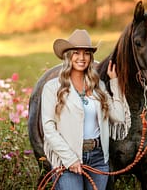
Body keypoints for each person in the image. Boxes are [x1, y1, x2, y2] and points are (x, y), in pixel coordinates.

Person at [41, 29, 130, 190]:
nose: (82, 58)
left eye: (86, 53)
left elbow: (119, 116)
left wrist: (114, 82)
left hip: (97, 157)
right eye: (76, 53)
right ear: (68, 56)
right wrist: (69, 159)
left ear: (90, 57)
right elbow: (48, 128)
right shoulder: (52, 88)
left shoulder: (99, 87)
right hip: (68, 157)